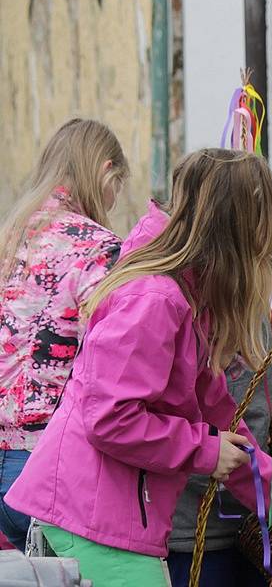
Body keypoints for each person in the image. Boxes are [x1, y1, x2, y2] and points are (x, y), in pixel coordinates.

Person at [5, 149, 272, 587]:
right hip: (88, 515)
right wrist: (205, 449)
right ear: (236, 239)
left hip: (109, 517)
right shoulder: (156, 299)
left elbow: (223, 423)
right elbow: (110, 417)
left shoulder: (185, 300)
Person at [0, 118, 128, 550]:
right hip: (48, 461)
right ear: (105, 170)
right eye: (117, 185)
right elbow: (111, 354)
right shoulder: (100, 246)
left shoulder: (11, 236)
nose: (114, 198)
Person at [166, 223, 272, 587]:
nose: (269, 296)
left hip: (253, 523)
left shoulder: (263, 327)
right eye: (266, 284)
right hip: (195, 528)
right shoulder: (193, 322)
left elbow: (258, 417)